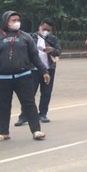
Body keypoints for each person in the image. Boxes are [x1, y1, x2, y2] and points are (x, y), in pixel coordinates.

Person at [0, 11, 50, 141]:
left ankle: (36, 130)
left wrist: (44, 71)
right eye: (13, 20)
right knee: (3, 106)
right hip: (3, 79)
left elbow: (34, 56)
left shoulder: (25, 37)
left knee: (29, 104)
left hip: (23, 76)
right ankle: (3, 132)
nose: (16, 22)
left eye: (18, 20)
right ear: (6, 21)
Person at [15, 19, 61, 126]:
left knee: (46, 92)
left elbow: (58, 51)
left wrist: (52, 50)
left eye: (48, 30)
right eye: (44, 29)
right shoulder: (30, 37)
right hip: (33, 69)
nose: (46, 31)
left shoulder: (53, 39)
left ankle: (43, 114)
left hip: (49, 69)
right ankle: (24, 116)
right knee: (29, 94)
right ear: (39, 26)